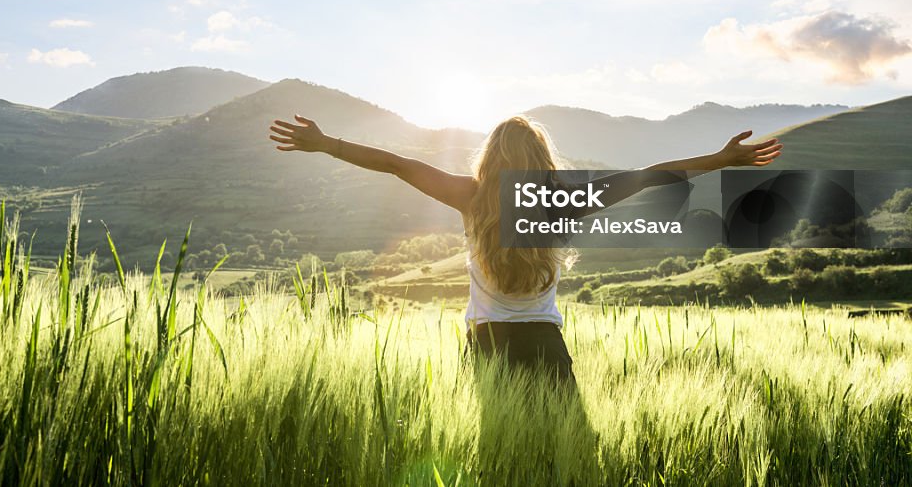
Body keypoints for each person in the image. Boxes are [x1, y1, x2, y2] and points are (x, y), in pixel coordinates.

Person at [267, 113, 783, 389]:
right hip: (546, 346)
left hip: (486, 344)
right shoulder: (561, 201)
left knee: (499, 458)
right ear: (541, 160)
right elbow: (648, 177)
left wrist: (328, 143)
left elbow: (398, 164)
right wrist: (720, 158)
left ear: (490, 159)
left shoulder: (468, 197)